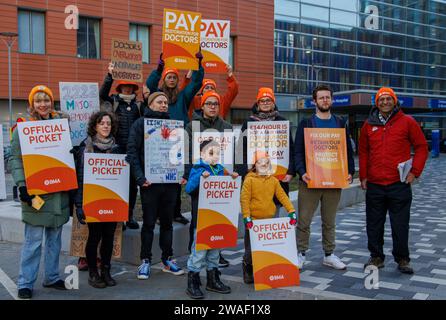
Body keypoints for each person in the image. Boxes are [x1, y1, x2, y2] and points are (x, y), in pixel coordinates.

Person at [10, 85, 70, 299]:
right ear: (32, 104)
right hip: (35, 194)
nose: (43, 104)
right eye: (38, 100)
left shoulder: (61, 127)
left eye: (46, 100)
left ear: (51, 103)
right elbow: (15, 159)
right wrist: (22, 185)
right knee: (33, 242)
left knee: (55, 240)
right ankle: (25, 282)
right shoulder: (23, 129)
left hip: (58, 194)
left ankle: (52, 277)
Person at [360, 87, 428, 274]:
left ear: (395, 101)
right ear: (376, 103)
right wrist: (363, 176)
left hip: (399, 184)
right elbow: (364, 151)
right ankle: (376, 257)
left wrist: (415, 172)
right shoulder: (368, 124)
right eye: (381, 99)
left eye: (389, 99)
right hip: (375, 184)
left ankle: (402, 259)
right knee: (374, 223)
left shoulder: (407, 122)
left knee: (400, 224)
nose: (385, 102)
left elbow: (422, 147)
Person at [294, 84, 355, 270]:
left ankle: (329, 255)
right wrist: (301, 171)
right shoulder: (306, 123)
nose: (325, 100)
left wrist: (350, 171)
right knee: (304, 220)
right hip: (310, 180)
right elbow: (298, 151)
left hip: (333, 180)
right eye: (321, 98)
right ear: (315, 101)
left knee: (330, 221)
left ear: (332, 99)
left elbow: (347, 151)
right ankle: (300, 253)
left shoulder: (339, 122)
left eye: (327, 97)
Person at [126, 92, 185, 280]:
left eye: (166, 102)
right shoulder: (140, 124)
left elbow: (182, 151)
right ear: (150, 104)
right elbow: (132, 152)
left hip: (170, 183)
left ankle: (167, 259)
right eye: (160, 102)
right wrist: (140, 177)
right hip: (149, 183)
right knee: (149, 224)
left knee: (167, 223)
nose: (164, 105)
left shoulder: (174, 126)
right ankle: (145, 260)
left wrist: (183, 173)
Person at [146, 53, 205, 226]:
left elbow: (196, 82)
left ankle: (176, 212)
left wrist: (198, 63)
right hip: (159, 143)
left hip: (178, 143)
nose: (171, 80)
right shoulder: (158, 95)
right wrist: (159, 68)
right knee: (159, 180)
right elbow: (149, 85)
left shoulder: (182, 96)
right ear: (164, 79)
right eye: (169, 77)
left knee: (177, 180)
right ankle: (158, 214)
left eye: (174, 77)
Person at [183, 91, 235, 267]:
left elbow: (230, 155)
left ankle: (215, 257)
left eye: (216, 104)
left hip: (220, 182)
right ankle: (195, 258)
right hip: (201, 180)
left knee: (217, 219)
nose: (213, 106)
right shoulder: (193, 126)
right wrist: (191, 175)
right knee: (198, 222)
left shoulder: (227, 126)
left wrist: (230, 174)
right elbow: (187, 152)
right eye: (209, 103)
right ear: (202, 106)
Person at [185, 139, 238, 299]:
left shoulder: (221, 170)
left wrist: (233, 178)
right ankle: (192, 282)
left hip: (217, 220)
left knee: (214, 250)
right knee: (199, 252)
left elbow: (229, 186)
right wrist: (201, 178)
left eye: (217, 153)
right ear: (202, 154)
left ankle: (212, 279)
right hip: (202, 220)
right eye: (211, 153)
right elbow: (188, 188)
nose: (215, 156)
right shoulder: (198, 169)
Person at [74, 111, 121, 288]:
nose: (106, 126)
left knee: (109, 237)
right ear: (95, 126)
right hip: (92, 201)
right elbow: (79, 177)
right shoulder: (85, 147)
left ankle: (106, 271)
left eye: (108, 123)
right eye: (102, 123)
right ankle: (93, 272)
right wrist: (79, 204)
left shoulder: (118, 148)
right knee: (94, 237)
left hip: (112, 200)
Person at [240, 151, 297, 284]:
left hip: (268, 220)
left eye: (266, 162)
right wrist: (246, 217)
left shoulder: (273, 180)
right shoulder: (249, 180)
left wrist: (291, 210)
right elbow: (244, 200)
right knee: (250, 250)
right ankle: (247, 267)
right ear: (255, 165)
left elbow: (282, 196)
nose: (264, 165)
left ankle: (265, 271)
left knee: (267, 248)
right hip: (253, 222)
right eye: (260, 162)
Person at [99, 62, 141, 230]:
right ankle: (119, 216)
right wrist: (110, 76)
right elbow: (102, 94)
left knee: (132, 186)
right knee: (118, 184)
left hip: (133, 150)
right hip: (117, 149)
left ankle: (129, 216)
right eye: (124, 87)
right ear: (120, 88)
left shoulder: (138, 105)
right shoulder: (114, 102)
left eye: (130, 87)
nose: (127, 89)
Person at [237, 87, 296, 204]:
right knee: (256, 208)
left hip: (278, 177)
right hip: (255, 176)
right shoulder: (249, 123)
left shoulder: (282, 122)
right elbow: (241, 150)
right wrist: (244, 173)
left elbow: (290, 149)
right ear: (258, 104)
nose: (265, 103)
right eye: (262, 101)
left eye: (268, 100)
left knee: (276, 210)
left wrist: (290, 172)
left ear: (273, 103)